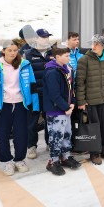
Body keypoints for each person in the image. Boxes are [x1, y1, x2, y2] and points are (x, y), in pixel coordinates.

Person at [0, 39, 40, 175]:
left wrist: (35, 106)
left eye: (15, 50)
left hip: (21, 104)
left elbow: (33, 85)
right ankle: (7, 161)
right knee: (3, 135)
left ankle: (19, 159)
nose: (13, 53)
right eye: (10, 50)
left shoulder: (25, 64)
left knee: (21, 134)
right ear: (3, 51)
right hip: (3, 105)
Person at [76, 35, 104, 164]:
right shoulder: (84, 60)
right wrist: (81, 101)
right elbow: (80, 82)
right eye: (92, 43)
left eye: (97, 44)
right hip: (91, 101)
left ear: (103, 46)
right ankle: (94, 153)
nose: (93, 46)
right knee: (94, 128)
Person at [42, 46, 81, 175]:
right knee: (56, 136)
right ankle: (53, 161)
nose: (68, 58)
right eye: (66, 56)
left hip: (66, 109)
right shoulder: (52, 72)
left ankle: (65, 157)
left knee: (66, 134)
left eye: (69, 56)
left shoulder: (65, 69)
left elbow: (70, 89)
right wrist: (66, 107)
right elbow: (54, 94)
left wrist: (72, 103)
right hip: (56, 110)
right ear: (57, 57)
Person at [23, 28, 53, 159]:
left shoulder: (53, 52)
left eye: (47, 36)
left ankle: (50, 142)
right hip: (34, 94)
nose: (46, 39)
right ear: (36, 39)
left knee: (50, 120)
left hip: (49, 94)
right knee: (32, 122)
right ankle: (31, 146)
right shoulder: (28, 54)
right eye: (43, 37)